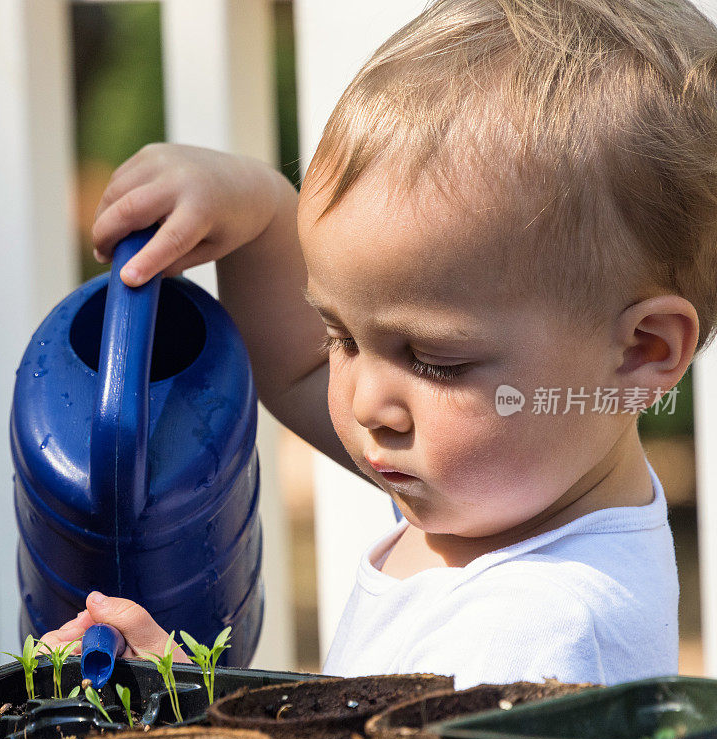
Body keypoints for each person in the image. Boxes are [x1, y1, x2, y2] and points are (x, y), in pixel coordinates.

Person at [41, 0, 717, 689]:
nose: (366, 403)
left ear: (641, 353)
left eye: (434, 360)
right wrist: (264, 210)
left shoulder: (534, 638)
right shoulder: (505, 482)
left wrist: (189, 712)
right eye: (343, 336)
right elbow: (300, 366)